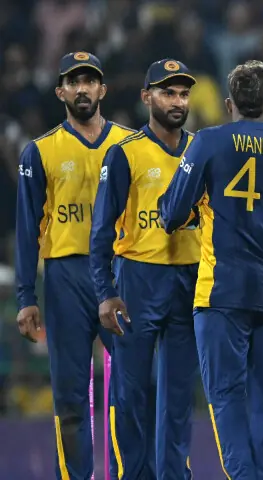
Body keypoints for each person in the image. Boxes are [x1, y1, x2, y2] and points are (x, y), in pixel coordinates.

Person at [158, 60, 263, 479]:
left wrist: (187, 212)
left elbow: (173, 211)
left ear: (229, 103)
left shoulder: (208, 142)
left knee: (226, 395)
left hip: (221, 292)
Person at [15, 51, 135, 479]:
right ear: (60, 91)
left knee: (132, 389)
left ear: (102, 89)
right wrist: (26, 297)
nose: (82, 89)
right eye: (74, 81)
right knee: (70, 396)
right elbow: (27, 229)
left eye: (90, 81)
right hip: (65, 277)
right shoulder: (40, 152)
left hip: (121, 272)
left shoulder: (130, 145)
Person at [89, 59, 199, 479]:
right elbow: (100, 233)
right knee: (131, 391)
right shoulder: (125, 153)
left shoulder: (199, 150)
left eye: (183, 93)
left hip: (189, 280)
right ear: (146, 97)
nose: (177, 101)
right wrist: (105, 292)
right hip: (138, 279)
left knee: (176, 395)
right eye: (167, 92)